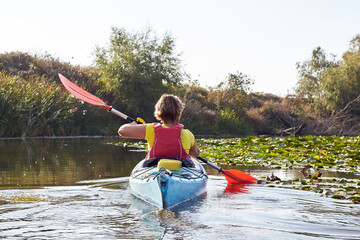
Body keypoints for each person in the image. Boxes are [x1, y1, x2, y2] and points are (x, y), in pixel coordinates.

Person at [118, 94, 200, 166]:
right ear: (179, 114)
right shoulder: (188, 134)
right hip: (181, 171)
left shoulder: (150, 129)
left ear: (158, 114)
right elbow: (195, 153)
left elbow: (122, 131)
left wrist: (135, 123)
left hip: (155, 168)